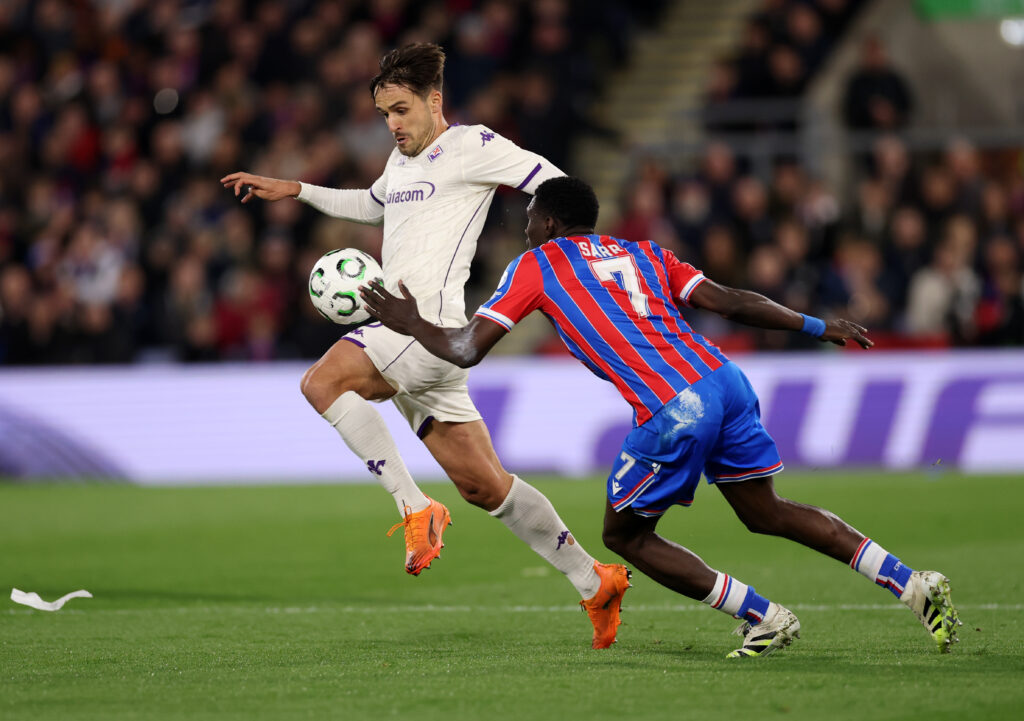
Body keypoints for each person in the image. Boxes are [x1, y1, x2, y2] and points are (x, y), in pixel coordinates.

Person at [360, 176, 962, 658]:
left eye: (526, 222)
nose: (523, 233)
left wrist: (408, 321)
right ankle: (913, 584)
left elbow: (466, 349)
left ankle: (765, 618)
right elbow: (728, 300)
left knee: (624, 537)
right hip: (725, 381)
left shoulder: (537, 265)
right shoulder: (643, 252)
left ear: (547, 222)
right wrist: (814, 324)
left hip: (676, 405)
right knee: (766, 511)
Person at [220, 43, 628, 650]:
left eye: (402, 110)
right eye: (385, 113)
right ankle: (593, 580)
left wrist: (571, 250)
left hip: (419, 327)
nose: (393, 124)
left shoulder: (473, 147)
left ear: (435, 102)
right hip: (426, 342)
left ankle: (415, 507)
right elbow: (373, 204)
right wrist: (297, 188)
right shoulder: (401, 159)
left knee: (321, 383)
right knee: (486, 486)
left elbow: (552, 182)